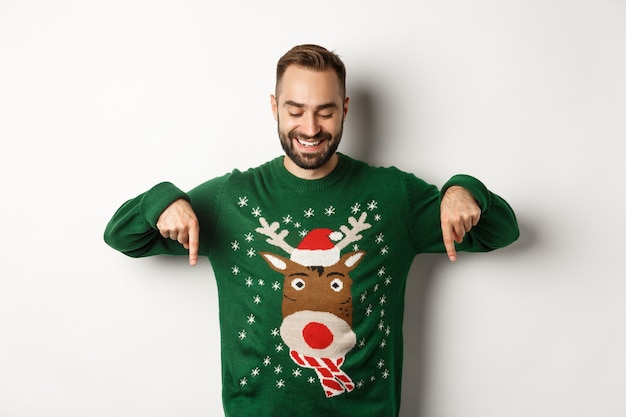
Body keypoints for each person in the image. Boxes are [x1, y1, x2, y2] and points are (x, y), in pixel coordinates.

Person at [104, 44, 519, 417]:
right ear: (274, 108)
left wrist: (465, 189)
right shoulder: (232, 198)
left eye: (325, 110)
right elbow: (124, 236)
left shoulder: (394, 196)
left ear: (345, 108)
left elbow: (500, 231)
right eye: (295, 110)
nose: (310, 127)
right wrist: (162, 199)